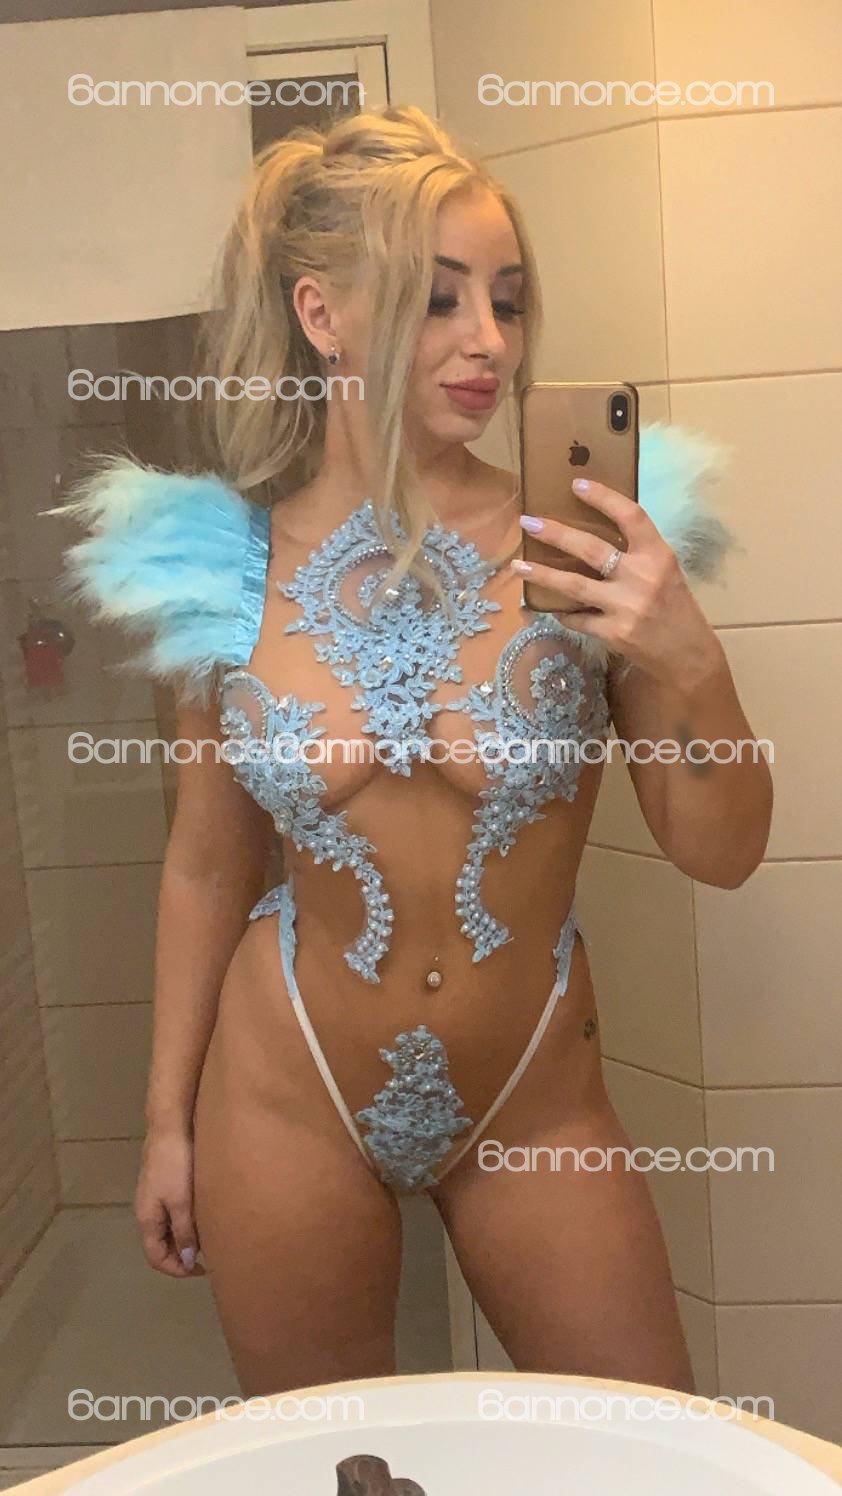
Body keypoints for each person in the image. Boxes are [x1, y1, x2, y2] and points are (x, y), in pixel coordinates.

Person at [50, 104, 772, 1398]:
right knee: (346, 1470)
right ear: (320, 312)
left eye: (506, 299)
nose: (487, 339)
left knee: (639, 1452)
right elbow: (206, 866)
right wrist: (166, 1125)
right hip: (285, 1091)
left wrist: (689, 658)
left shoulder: (584, 546)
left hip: (535, 1096)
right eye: (438, 299)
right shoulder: (219, 570)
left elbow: (723, 855)